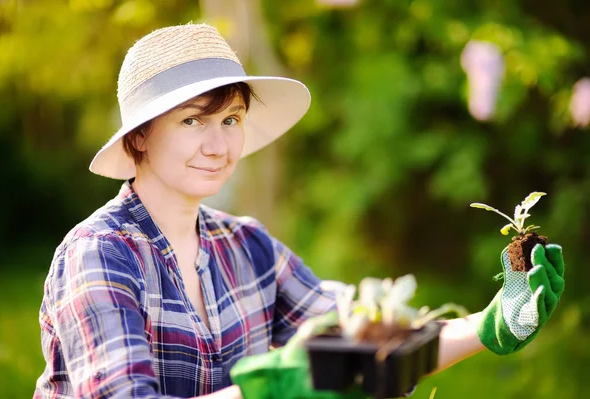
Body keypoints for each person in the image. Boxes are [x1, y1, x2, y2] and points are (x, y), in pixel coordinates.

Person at [34, 23, 565, 399]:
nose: (219, 146)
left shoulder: (246, 246)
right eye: (194, 122)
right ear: (142, 136)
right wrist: (270, 390)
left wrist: (492, 324)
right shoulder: (100, 253)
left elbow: (365, 345)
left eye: (232, 119)